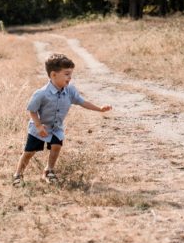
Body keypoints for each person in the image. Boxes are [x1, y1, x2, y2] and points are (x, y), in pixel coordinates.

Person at [12, 53, 111, 185]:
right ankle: (18, 174)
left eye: (70, 74)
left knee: (56, 146)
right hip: (39, 128)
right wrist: (38, 126)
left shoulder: (70, 91)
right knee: (29, 152)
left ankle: (49, 171)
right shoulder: (42, 93)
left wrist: (99, 108)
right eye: (66, 74)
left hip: (56, 128)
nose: (70, 77)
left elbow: (82, 102)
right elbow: (32, 110)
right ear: (53, 75)